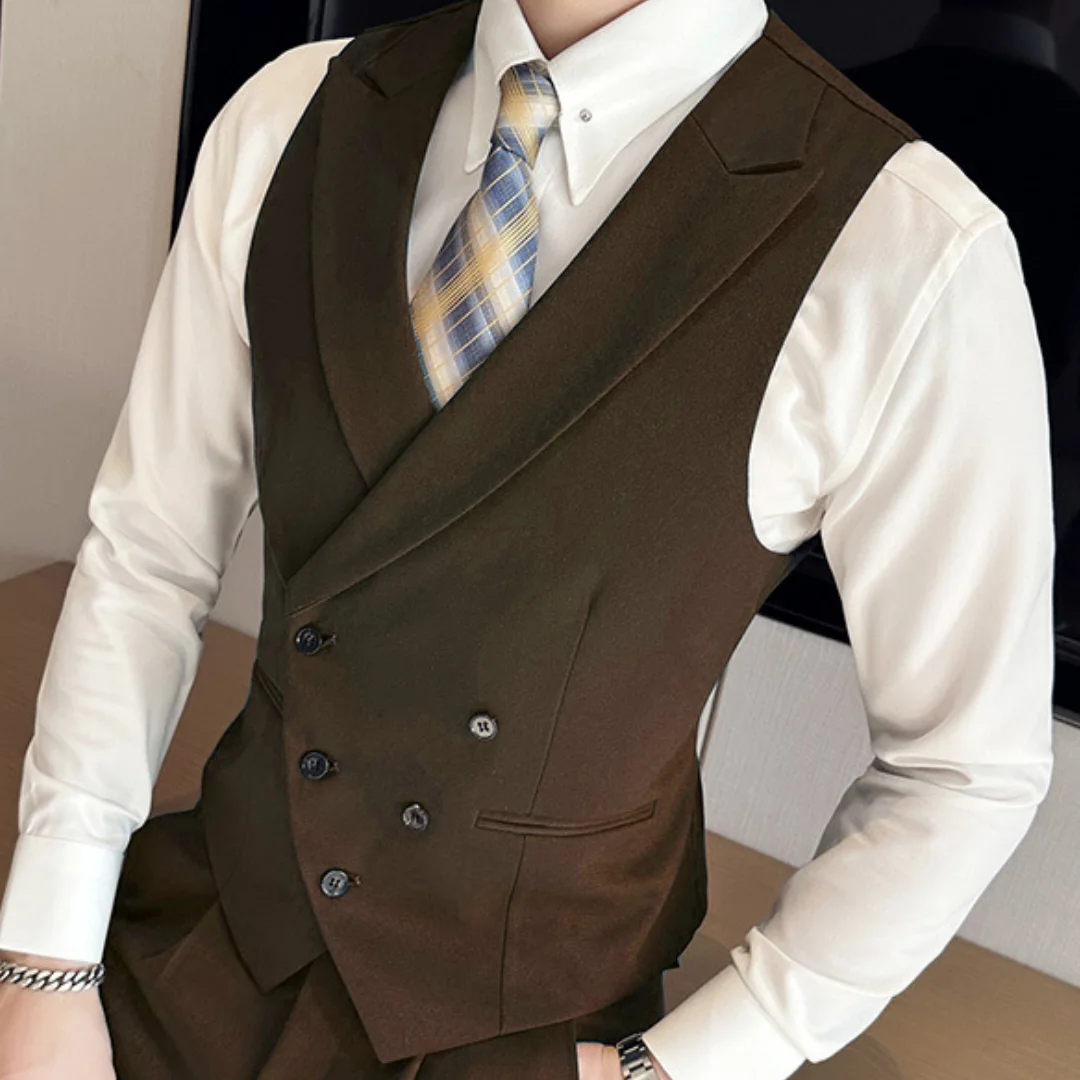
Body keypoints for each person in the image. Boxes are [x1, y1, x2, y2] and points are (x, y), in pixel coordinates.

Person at [0, 0, 1057, 1078]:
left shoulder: (906, 248)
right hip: (201, 947)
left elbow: (963, 765)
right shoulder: (291, 112)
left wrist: (688, 1064)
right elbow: (149, 553)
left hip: (533, 1030)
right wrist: (46, 956)